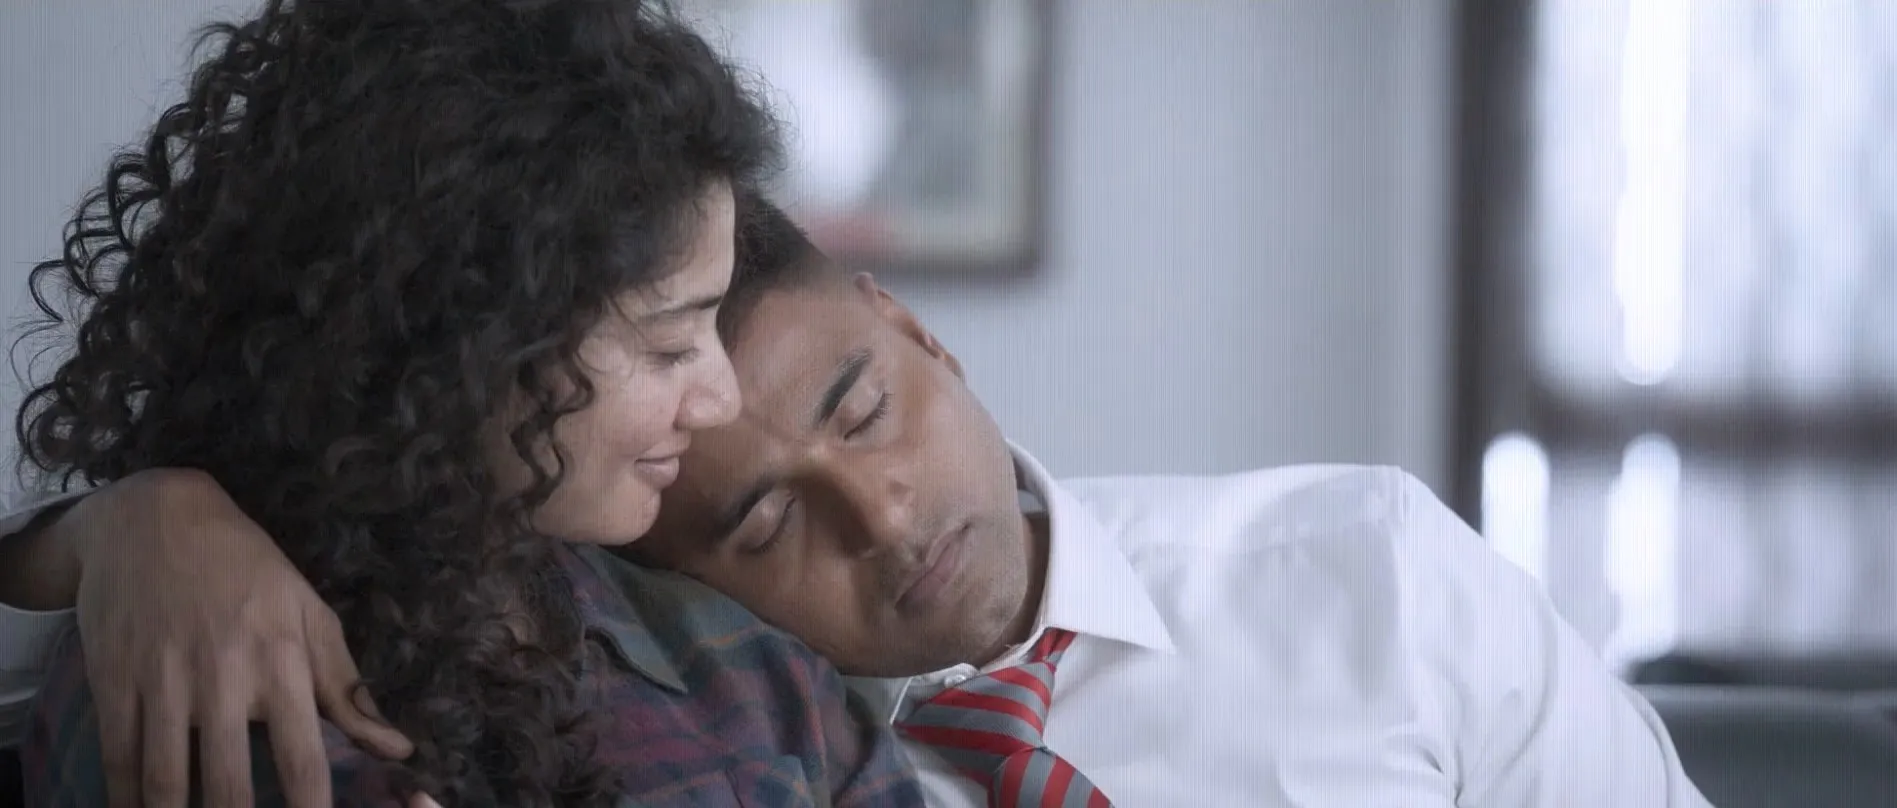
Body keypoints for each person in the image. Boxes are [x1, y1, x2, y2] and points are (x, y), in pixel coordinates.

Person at [4, 197, 1713, 806]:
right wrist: (127, 519)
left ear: (915, 331)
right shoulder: (694, 735)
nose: (884, 520)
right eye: (761, 525)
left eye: (862, 406)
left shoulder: (1369, 573)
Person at [0, 1, 925, 806]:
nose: (719, 398)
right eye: (668, 344)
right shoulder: (204, 685)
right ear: (457, 344)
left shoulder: (752, 675)